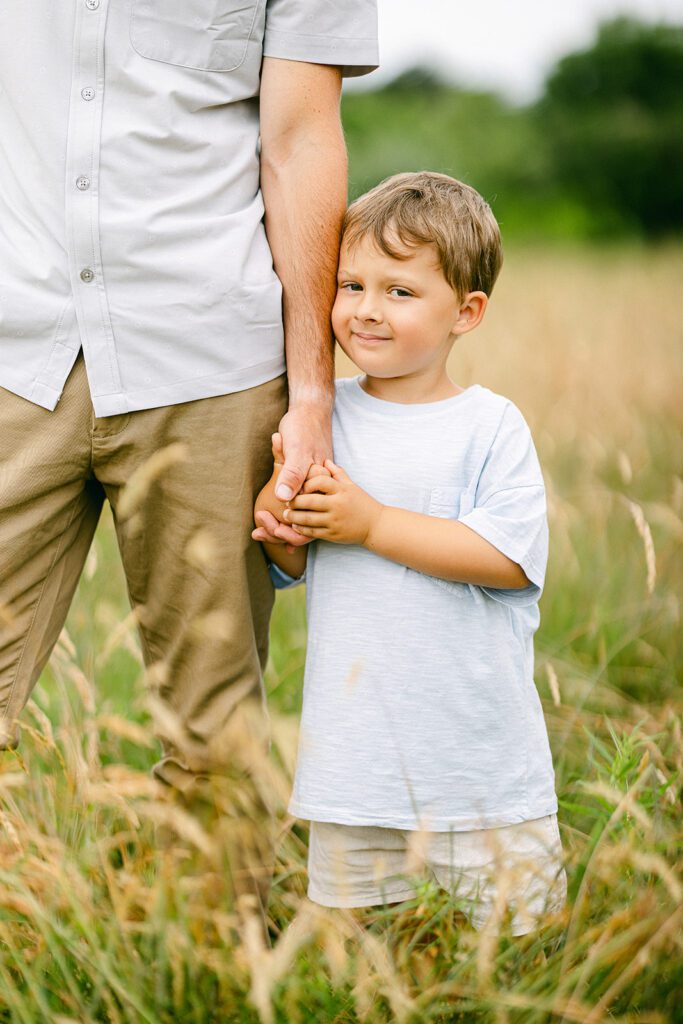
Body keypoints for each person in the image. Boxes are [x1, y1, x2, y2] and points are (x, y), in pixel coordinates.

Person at [0, 3, 377, 912]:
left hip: (210, 357)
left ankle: (194, 981)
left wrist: (312, 395)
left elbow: (299, 144)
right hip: (13, 341)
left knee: (213, 739)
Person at [252, 172, 567, 935]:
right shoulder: (323, 417)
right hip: (354, 767)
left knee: (508, 959)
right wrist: (283, 532)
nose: (364, 309)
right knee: (362, 962)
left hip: (479, 770)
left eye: (399, 292)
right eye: (351, 284)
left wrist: (369, 523)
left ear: (466, 311)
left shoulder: (488, 426)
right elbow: (292, 570)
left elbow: (508, 559)